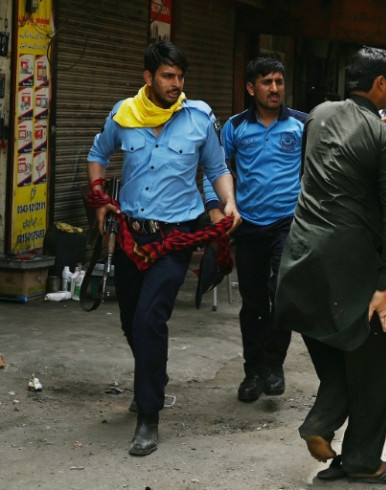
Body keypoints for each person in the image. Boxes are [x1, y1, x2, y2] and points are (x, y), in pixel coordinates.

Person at [86, 40, 241, 456]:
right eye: (168, 76)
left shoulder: (198, 117)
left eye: (180, 76)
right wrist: (100, 197)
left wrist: (228, 201)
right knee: (130, 319)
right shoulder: (123, 114)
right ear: (148, 78)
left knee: (151, 317)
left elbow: (216, 167)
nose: (177, 84)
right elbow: (97, 153)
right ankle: (150, 373)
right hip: (132, 235)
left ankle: (148, 416)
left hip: (176, 237)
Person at [273, 47, 386, 484]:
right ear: (379, 84)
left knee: (338, 352)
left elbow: (315, 171)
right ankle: (361, 460)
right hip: (353, 265)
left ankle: (322, 422)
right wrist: (383, 286)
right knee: (377, 367)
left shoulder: (317, 115)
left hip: (301, 261)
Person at [203, 57, 306, 403]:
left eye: (279, 81)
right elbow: (213, 168)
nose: (275, 88)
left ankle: (274, 366)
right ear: (251, 88)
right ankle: (253, 372)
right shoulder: (234, 127)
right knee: (253, 302)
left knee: (283, 294)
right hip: (247, 226)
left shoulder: (301, 125)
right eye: (267, 82)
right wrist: (215, 207)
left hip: (288, 224)